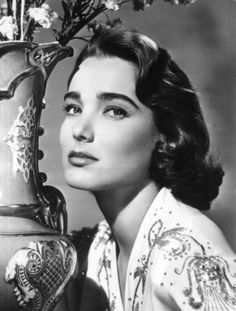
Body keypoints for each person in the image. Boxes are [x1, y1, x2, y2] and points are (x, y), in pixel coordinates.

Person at [60, 27, 236, 311]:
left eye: (115, 110)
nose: (80, 130)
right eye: (73, 108)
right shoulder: (93, 251)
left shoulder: (186, 252)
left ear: (166, 133)